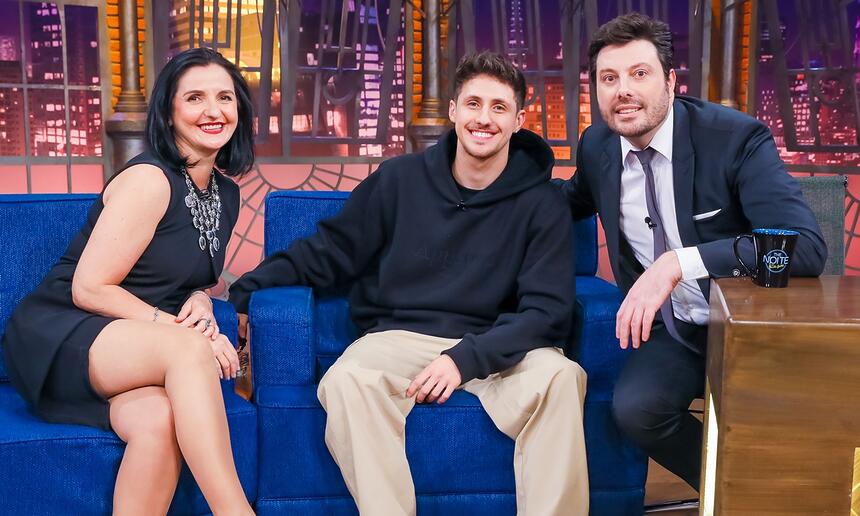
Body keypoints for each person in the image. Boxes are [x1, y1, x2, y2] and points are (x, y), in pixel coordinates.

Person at [229, 51, 588, 515]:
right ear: (454, 111)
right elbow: (331, 251)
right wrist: (245, 292)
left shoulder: (543, 204)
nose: (484, 119)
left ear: (519, 120)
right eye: (474, 104)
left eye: (499, 108)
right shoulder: (399, 180)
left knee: (561, 377)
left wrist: (464, 359)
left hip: (498, 345)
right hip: (400, 338)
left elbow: (547, 312)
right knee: (346, 381)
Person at [556, 13, 827, 491]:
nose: (624, 90)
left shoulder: (734, 139)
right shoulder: (598, 146)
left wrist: (680, 263)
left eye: (640, 74)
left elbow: (801, 248)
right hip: (677, 330)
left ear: (671, 81)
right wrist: (486, 187)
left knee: (797, 422)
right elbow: (566, 201)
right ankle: (741, 493)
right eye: (609, 78)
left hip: (750, 323)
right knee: (637, 411)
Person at [2, 47, 256, 515]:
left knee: (159, 420)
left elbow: (184, 273)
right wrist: (178, 329)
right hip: (65, 329)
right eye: (195, 97)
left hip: (131, 345)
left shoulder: (226, 192)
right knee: (188, 347)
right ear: (169, 111)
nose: (213, 111)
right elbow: (89, 288)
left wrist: (200, 298)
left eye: (225, 97)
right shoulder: (150, 181)